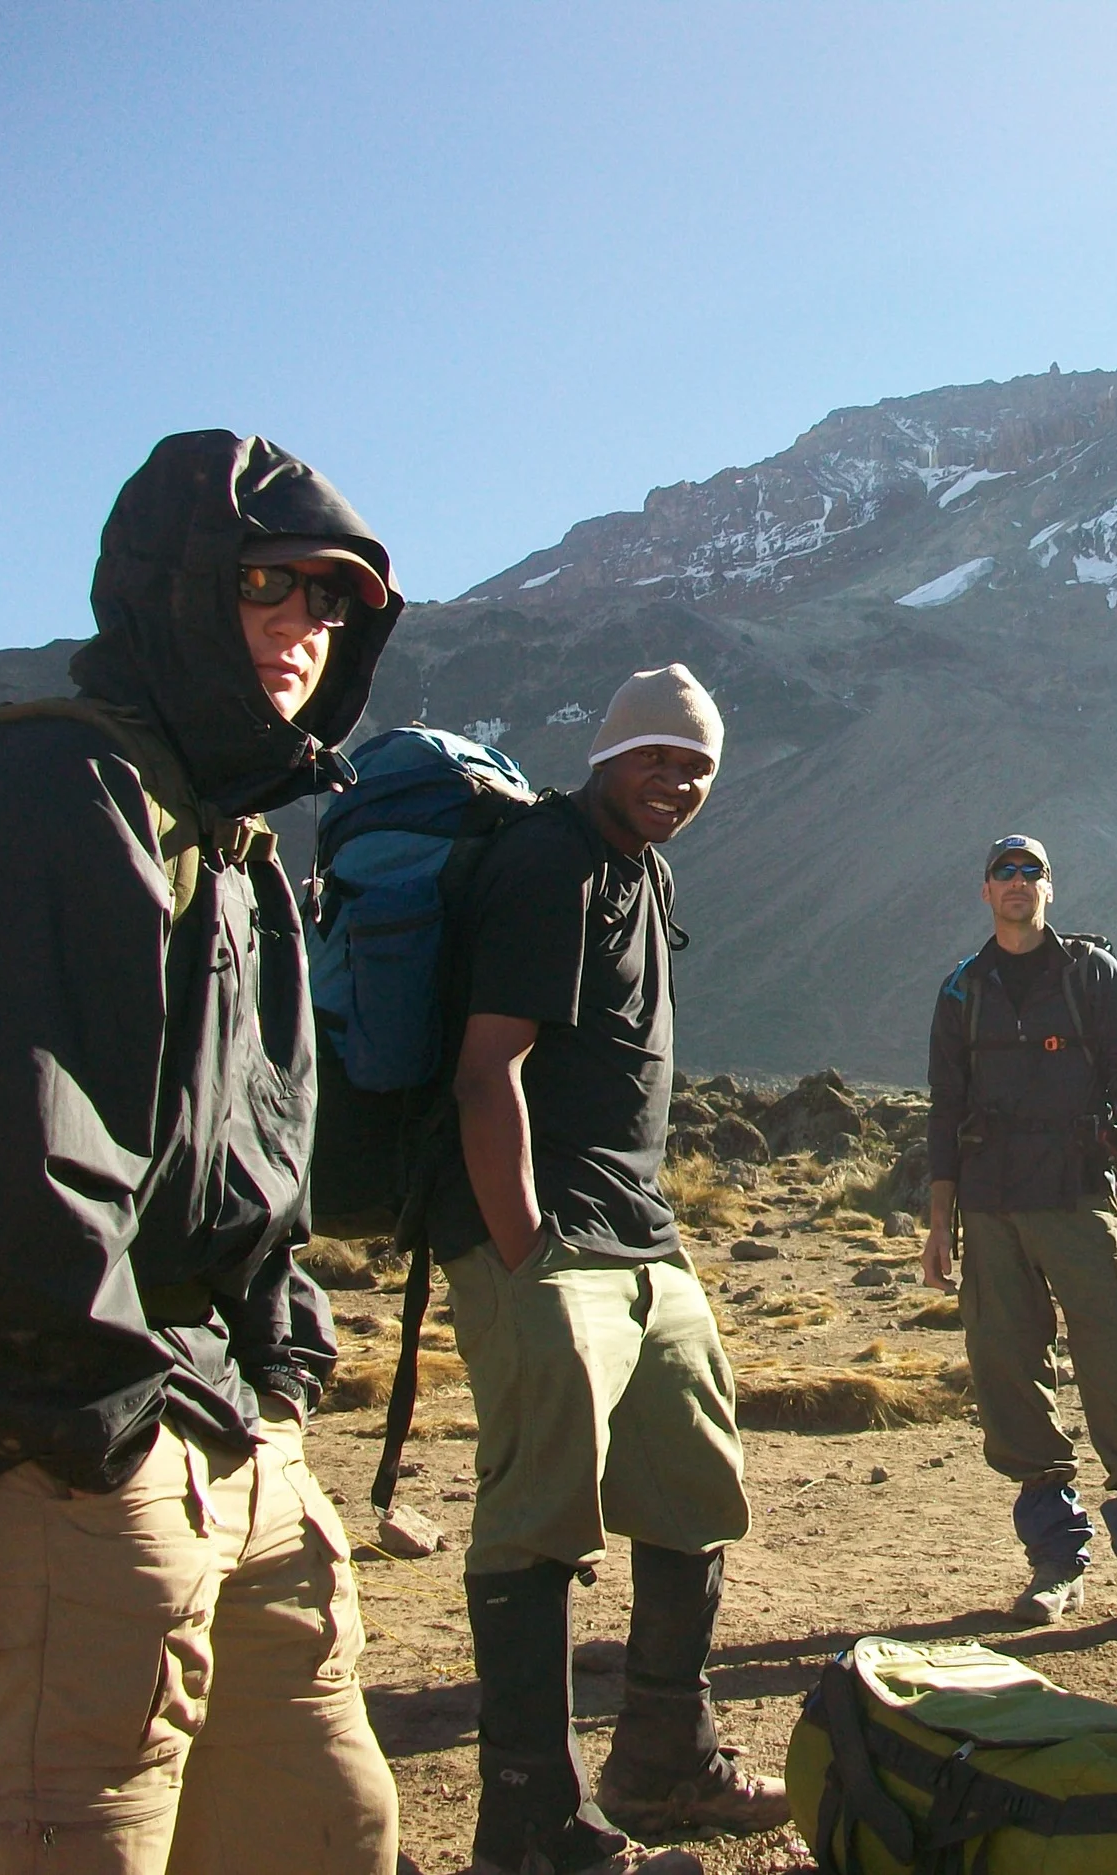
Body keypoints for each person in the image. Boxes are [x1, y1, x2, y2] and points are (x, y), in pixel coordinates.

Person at [0, 430, 403, 1874]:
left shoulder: (239, 847)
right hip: (58, 1469)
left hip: (232, 1442)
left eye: (336, 599)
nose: (304, 624)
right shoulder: (50, 794)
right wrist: (115, 1438)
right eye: (270, 583)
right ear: (172, 590)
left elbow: (261, 1176)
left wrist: (277, 1383)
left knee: (331, 1831)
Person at [436, 663, 781, 1875]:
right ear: (606, 755)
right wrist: (525, 1250)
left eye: (697, 766)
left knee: (692, 1484)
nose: (678, 782)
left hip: (639, 1234)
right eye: (658, 757)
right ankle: (529, 1825)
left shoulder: (642, 866)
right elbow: (491, 1069)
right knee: (536, 1522)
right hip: (546, 1245)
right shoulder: (549, 862)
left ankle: (664, 1758)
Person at [919, 836, 1117, 1637]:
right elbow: (944, 1108)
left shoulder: (1091, 974)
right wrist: (938, 1223)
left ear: (1050, 887)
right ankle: (1055, 1565)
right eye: (1005, 872)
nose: (1019, 884)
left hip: (1078, 1198)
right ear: (986, 890)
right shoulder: (963, 989)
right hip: (989, 1208)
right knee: (1011, 1380)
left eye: (1032, 872)